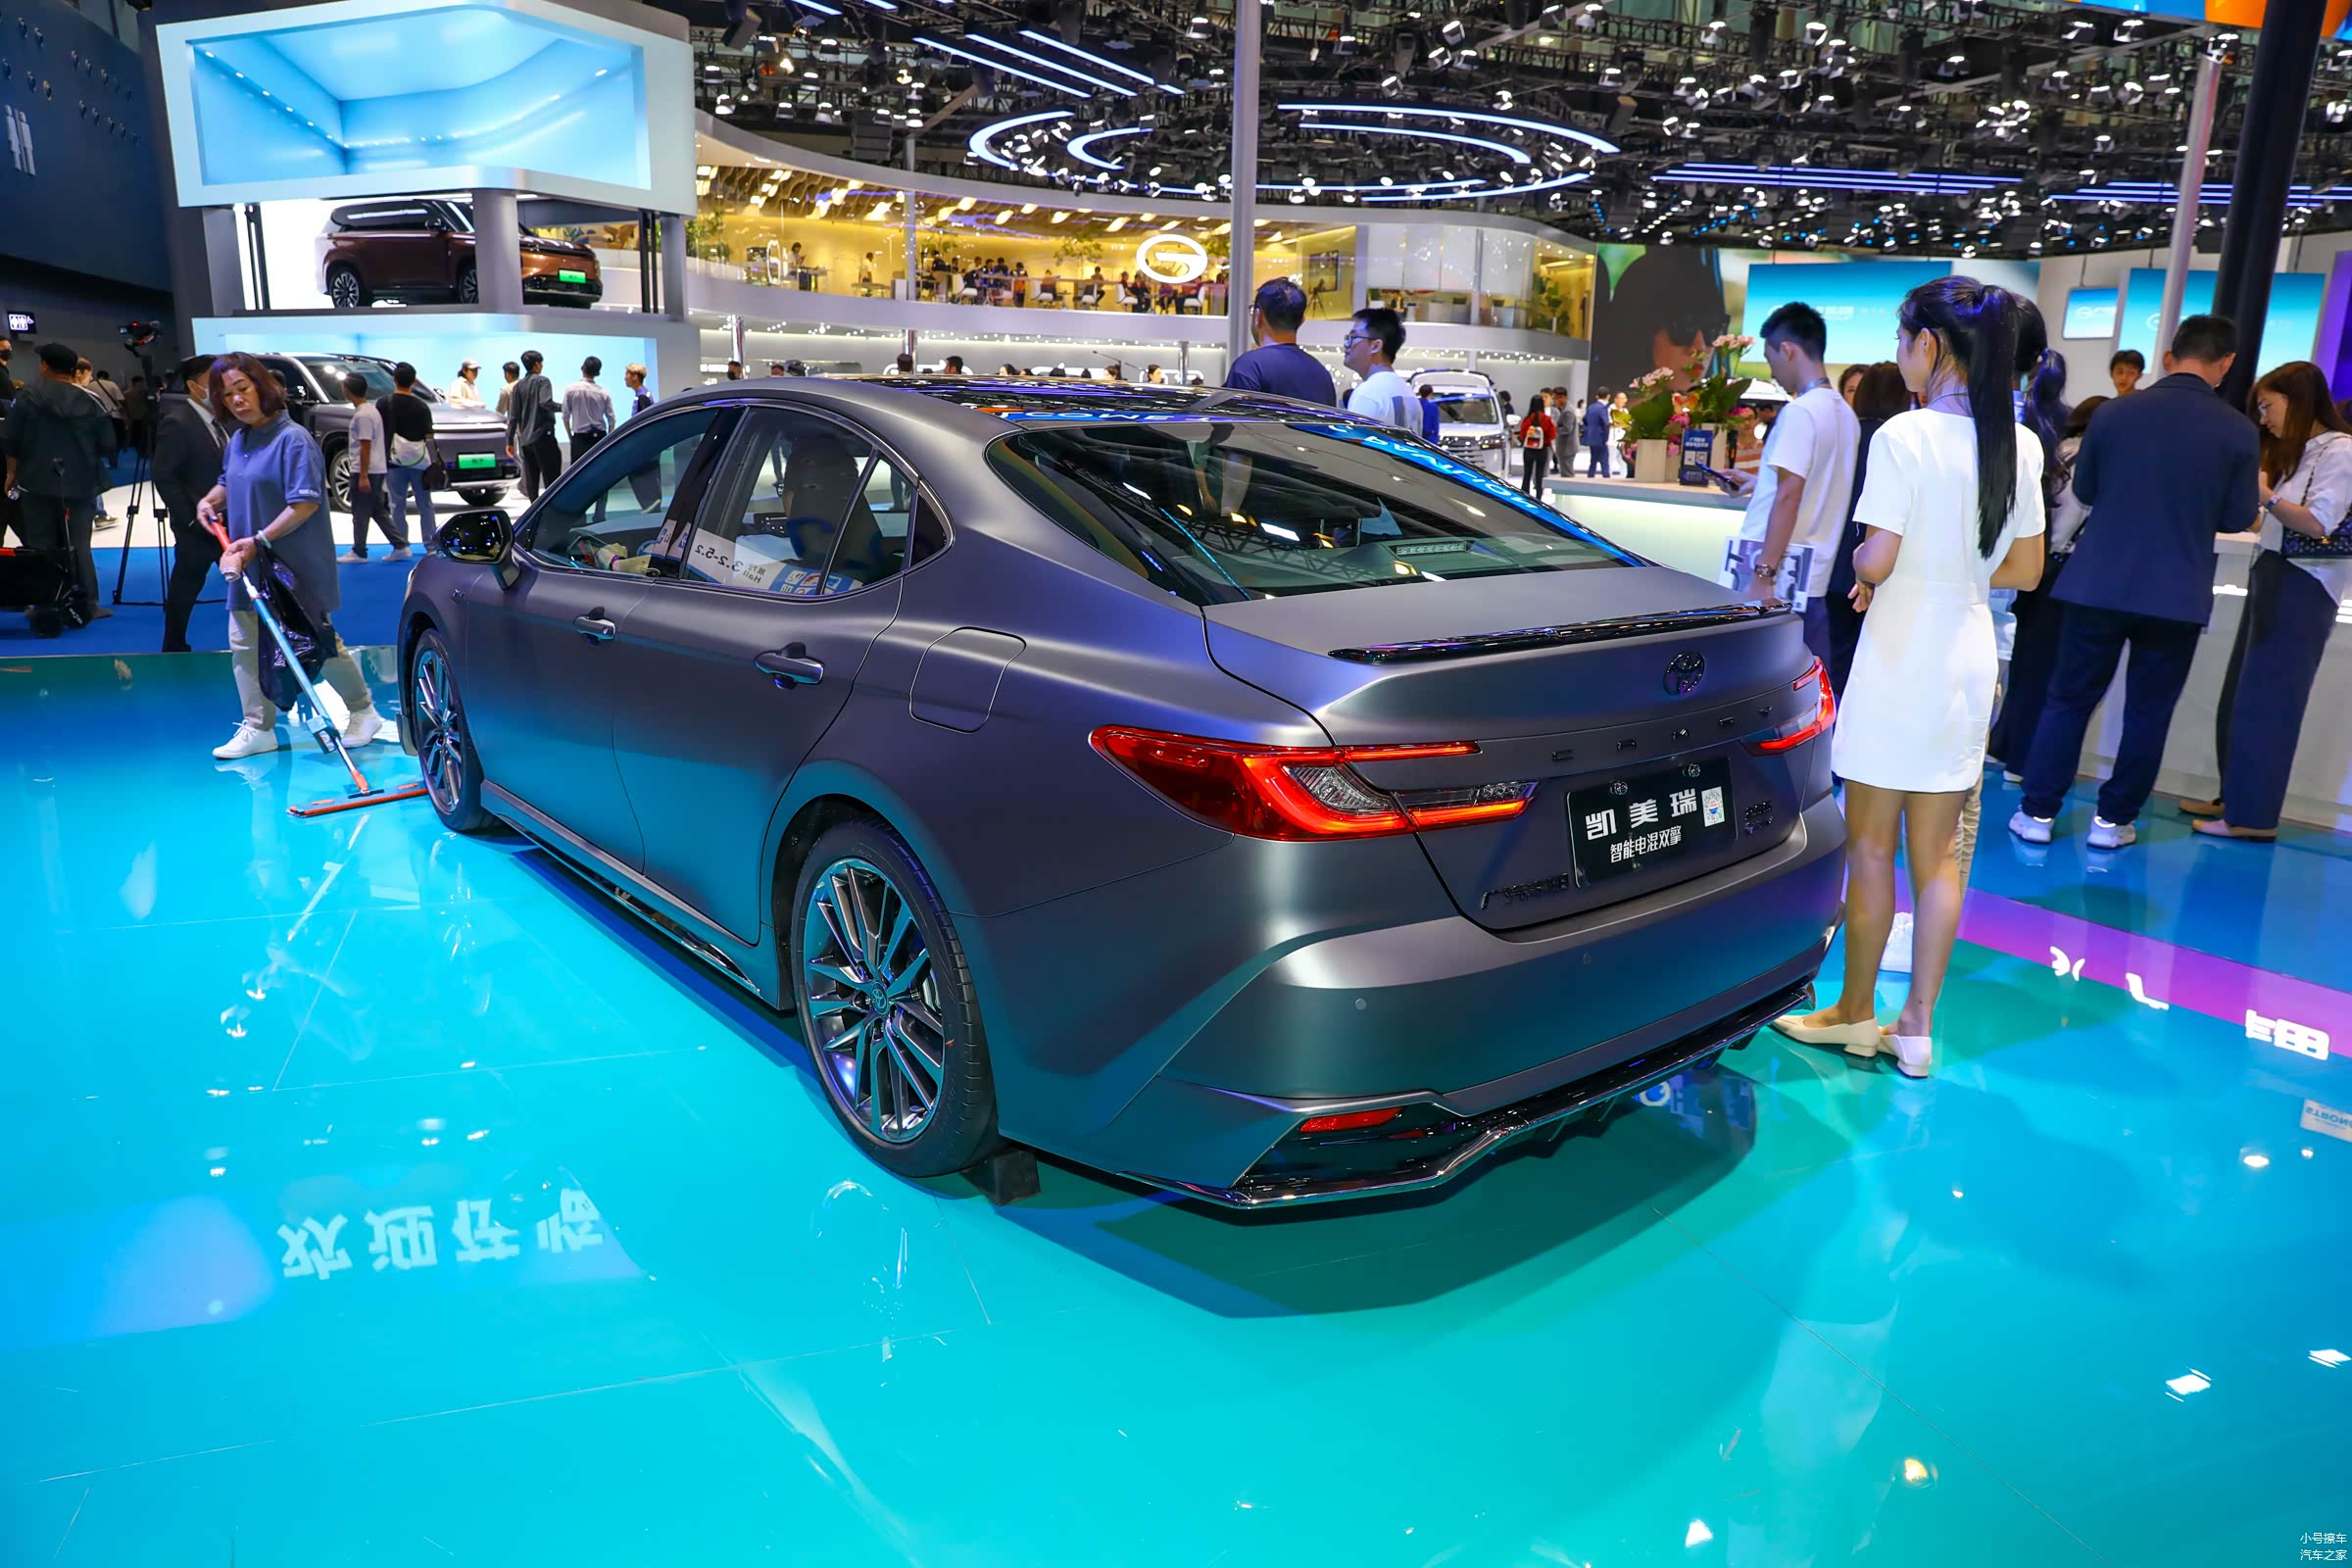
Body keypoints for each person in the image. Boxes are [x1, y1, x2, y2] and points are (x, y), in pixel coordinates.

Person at [1773, 277, 2047, 1079]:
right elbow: (2026, 569)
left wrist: (1870, 567)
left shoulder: (1904, 434)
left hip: (1900, 656)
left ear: (1930, 345)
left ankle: (1854, 1012)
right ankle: (1917, 1028)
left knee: (1868, 846)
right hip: (1967, 654)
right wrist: (1951, 566)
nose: (1899, 356)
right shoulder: (2020, 443)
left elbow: (1877, 557)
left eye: (1902, 340)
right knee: (1939, 859)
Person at [2013, 316, 2261, 850]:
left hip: (2098, 582)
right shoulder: (2238, 429)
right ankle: (2112, 822)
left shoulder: (2114, 413)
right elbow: (2240, 516)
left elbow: (2086, 489)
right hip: (2177, 592)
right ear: (2226, 362)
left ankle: (2037, 814)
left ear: (2169, 356)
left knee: (2068, 700)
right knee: (2149, 714)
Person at [2180, 362, 2352, 841]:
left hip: (2304, 584)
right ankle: (2235, 797)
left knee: (2270, 702)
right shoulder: (2301, 451)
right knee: (2241, 694)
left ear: (2296, 402)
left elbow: (2318, 523)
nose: (2263, 418)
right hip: (2273, 573)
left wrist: (2266, 495)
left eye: (2268, 407)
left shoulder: (2340, 451)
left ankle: (2253, 816)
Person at [197, 352, 386, 760]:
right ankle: (258, 726)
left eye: (243, 389)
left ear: (262, 387)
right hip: (249, 563)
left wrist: (259, 540)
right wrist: (211, 500)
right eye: (227, 395)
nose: (236, 400)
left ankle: (363, 710)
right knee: (244, 644)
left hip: (292, 564)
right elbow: (229, 482)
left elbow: (305, 504)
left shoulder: (293, 439)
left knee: (317, 643)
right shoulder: (239, 440)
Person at [1727, 302, 1862, 663]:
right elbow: (1815, 482)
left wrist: (1763, 573)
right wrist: (1760, 483)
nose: (1773, 373)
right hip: (1810, 576)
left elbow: (1790, 495)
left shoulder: (1800, 411)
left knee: (1756, 675)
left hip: (1777, 574)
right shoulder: (1844, 414)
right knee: (1802, 677)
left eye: (1770, 359)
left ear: (1787, 350)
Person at [1988, 394, 2107, 779]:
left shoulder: (2057, 451)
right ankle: (2023, 759)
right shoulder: (2086, 459)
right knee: (2045, 670)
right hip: (2058, 571)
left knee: (2027, 665)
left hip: (2035, 572)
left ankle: (2005, 746)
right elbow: (2065, 524)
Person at [0, 342, 115, 623]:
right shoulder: (91, 400)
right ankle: (88, 603)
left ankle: (45, 605)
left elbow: (11, 439)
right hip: (81, 484)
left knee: (41, 544)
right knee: (80, 544)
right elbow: (108, 444)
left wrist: (11, 473)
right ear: (74, 370)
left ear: (44, 366)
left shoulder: (26, 398)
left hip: (35, 482)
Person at [1823, 362, 1911, 702]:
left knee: (1833, 657)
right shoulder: (1898, 440)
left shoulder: (1849, 435)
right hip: (1876, 561)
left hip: (1832, 561)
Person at [154, 354, 229, 652]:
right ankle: (173, 644)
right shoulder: (178, 422)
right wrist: (189, 518)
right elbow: (165, 476)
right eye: (213, 380)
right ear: (193, 385)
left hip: (228, 521)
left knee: (246, 585)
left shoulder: (222, 420)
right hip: (197, 525)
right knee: (186, 585)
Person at [1225, 277, 1337, 405]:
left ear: (1258, 316)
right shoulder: (1322, 374)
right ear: (1302, 321)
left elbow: (1235, 416)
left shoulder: (1248, 367)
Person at [336, 370, 407, 564]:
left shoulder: (363, 415)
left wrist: (363, 475)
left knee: (360, 512)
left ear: (348, 390)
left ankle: (359, 551)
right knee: (377, 510)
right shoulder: (370, 411)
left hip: (366, 470)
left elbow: (365, 445)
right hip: (375, 468)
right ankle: (400, 545)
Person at [379, 362, 438, 547]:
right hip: (419, 461)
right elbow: (429, 435)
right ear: (413, 381)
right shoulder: (421, 406)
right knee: (425, 503)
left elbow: (379, 432)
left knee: (397, 504)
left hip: (393, 460)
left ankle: (401, 544)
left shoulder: (384, 403)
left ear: (394, 379)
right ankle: (430, 543)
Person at [1342, 307, 1415, 429]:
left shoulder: (1367, 394)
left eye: (1353, 337)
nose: (1346, 344)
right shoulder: (1409, 394)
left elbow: (1354, 441)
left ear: (1376, 346)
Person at [506, 350, 563, 502]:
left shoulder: (518, 386)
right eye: (541, 363)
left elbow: (513, 416)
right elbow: (545, 402)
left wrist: (509, 441)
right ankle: (552, 509)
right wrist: (564, 407)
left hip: (526, 439)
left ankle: (534, 508)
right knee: (552, 476)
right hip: (543, 435)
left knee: (532, 478)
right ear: (537, 364)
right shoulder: (543, 381)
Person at [562, 356, 616, 466]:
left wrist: (571, 437)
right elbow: (611, 419)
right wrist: (608, 441)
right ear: (597, 373)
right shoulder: (604, 393)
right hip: (599, 438)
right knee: (601, 469)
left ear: (582, 368)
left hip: (579, 439)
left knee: (578, 472)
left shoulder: (570, 390)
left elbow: (565, 416)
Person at [1518, 392, 1555, 495]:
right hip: (1542, 449)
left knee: (1527, 474)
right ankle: (1539, 496)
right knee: (1540, 473)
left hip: (1529, 450)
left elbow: (1522, 435)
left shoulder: (1527, 419)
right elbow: (1552, 435)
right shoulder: (1547, 419)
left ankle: (1525, 495)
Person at [1579, 389, 1613, 476]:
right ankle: (1606, 479)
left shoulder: (1591, 407)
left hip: (1591, 437)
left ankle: (1590, 477)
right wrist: (1606, 437)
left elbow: (1585, 419)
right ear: (1608, 396)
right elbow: (1605, 423)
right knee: (1604, 461)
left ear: (1597, 396)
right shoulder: (1603, 408)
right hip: (1600, 438)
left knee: (1593, 461)